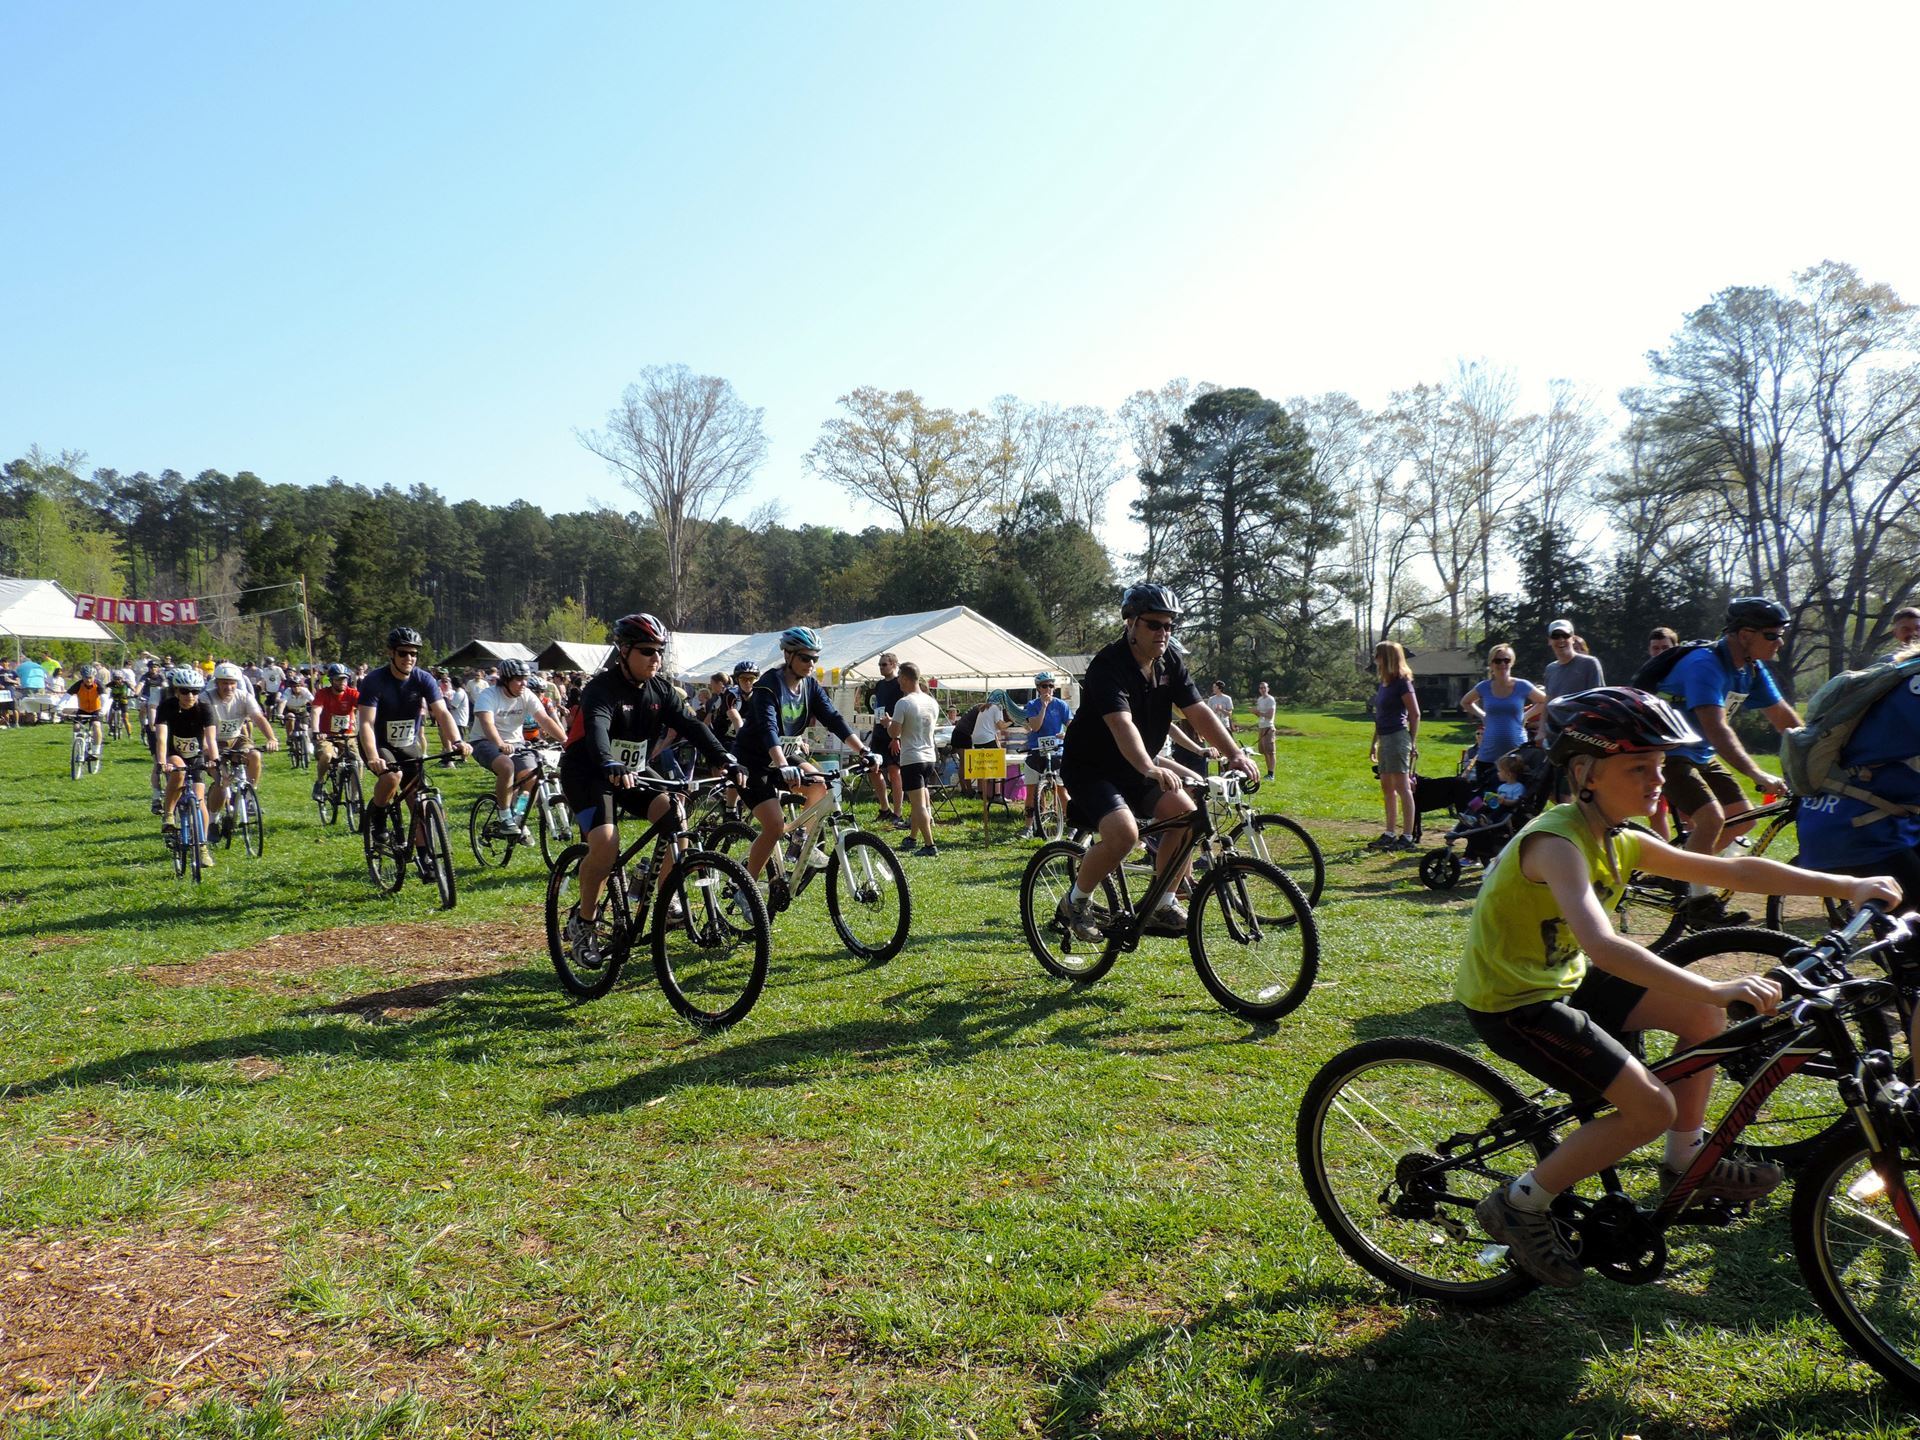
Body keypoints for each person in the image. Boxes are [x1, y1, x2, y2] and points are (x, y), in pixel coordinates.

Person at [1457, 687, 1899, 1291]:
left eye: (1660, 766)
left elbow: (1735, 869)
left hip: (1567, 982)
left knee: (1701, 1020)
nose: (1657, 780)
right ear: (1585, 773)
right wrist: (1716, 985)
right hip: (1514, 1003)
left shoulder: (1620, 837)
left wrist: (1847, 885)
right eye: (1639, 768)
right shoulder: (1556, 843)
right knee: (1648, 1106)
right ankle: (1520, 1202)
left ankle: (1684, 1161)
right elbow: (1606, 945)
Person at [1054, 584, 1257, 940]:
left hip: (1138, 766)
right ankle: (1077, 901)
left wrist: (1234, 754)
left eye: (1170, 626)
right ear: (1130, 622)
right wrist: (1149, 767)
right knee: (1124, 835)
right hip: (1092, 768)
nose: (1163, 633)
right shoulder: (1107, 665)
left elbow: (1199, 713)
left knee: (1185, 816)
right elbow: (1122, 724)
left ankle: (1162, 903)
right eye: (1154, 624)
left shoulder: (1170, 662)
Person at [558, 614, 743, 960]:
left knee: (675, 814)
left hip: (631, 772)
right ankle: (583, 924)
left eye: (659, 651)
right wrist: (608, 761)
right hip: (588, 771)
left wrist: (723, 759)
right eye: (646, 651)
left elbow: (691, 725)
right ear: (624, 651)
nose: (655, 658)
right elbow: (597, 728)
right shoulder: (602, 688)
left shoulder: (660, 691)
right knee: (605, 845)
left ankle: (665, 892)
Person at [1655, 596, 1801, 925]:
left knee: (1743, 818)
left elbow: (1782, 717)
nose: (1780, 642)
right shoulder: (1704, 664)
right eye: (1772, 635)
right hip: (1666, 752)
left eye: (1780, 634)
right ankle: (1700, 906)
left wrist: (1817, 752)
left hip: (1699, 752)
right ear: (1745, 635)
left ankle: (1677, 869)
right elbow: (1717, 728)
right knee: (1711, 819)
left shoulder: (1750, 669)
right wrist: (1756, 772)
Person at [735, 626, 877, 889]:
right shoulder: (768, 685)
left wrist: (864, 751)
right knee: (775, 827)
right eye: (805, 657)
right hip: (754, 761)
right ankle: (747, 888)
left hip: (786, 755)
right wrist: (781, 765)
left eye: (815, 658)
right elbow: (768, 730)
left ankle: (801, 842)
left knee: (819, 785)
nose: (811, 663)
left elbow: (833, 719)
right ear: (788, 655)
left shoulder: (810, 685)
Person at [1794, 638, 1920, 901]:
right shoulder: (1913, 687)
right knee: (1910, 927)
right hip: (1860, 827)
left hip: (1853, 818)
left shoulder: (1904, 672)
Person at [357, 628, 471, 834]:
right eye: (403, 653)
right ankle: (378, 812)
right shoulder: (374, 680)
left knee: (419, 803)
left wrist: (457, 741)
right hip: (378, 743)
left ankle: (425, 858)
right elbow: (366, 722)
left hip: (408, 744)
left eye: (414, 653)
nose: (409, 658)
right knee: (392, 776)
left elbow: (443, 713)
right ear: (391, 653)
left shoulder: (423, 679)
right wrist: (373, 757)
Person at [470, 658, 566, 838]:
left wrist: (566, 740)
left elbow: (544, 719)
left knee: (531, 776)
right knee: (507, 766)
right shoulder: (489, 695)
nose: (524, 683)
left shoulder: (527, 694)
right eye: (518, 679)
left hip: (516, 744)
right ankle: (505, 816)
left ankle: (518, 814)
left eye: (526, 678)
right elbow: (487, 723)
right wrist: (500, 744)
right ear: (505, 680)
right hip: (484, 741)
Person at [154, 667, 221, 869]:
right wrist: (161, 761)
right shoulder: (167, 707)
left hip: (196, 756)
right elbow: (162, 737)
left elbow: (211, 740)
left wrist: (214, 760)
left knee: (200, 802)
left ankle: (202, 847)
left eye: (194, 692)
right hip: (173, 754)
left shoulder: (206, 709)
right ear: (176, 691)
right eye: (184, 691)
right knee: (179, 771)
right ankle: (168, 814)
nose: (189, 696)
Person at [206, 662, 278, 835]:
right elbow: (205, 733)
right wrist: (212, 758)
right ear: (217, 683)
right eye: (224, 683)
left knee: (254, 755)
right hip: (212, 741)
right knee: (220, 781)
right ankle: (213, 819)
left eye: (232, 683)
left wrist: (271, 738)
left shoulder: (244, 696)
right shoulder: (206, 699)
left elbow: (258, 717)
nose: (228, 687)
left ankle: (248, 795)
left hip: (236, 738)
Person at [1460, 644, 1541, 788]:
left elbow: (1544, 701)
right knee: (1486, 800)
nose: (1502, 664)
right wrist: (1482, 715)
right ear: (1491, 663)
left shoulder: (1522, 685)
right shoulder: (1484, 687)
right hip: (1488, 755)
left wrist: (1526, 716)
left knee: (1515, 798)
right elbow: (1465, 702)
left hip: (1515, 755)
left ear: (1512, 662)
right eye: (1498, 660)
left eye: (1507, 660)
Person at [1367, 641, 1419, 851]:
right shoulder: (1384, 684)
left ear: (1387, 657)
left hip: (1398, 738)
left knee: (1402, 787)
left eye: (1377, 655)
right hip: (1385, 739)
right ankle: (1389, 833)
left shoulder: (1402, 682)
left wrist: (1412, 742)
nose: (1375, 659)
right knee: (1387, 787)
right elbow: (1380, 717)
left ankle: (1407, 836)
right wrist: (1374, 744)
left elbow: (1414, 714)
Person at [889, 661, 942, 856]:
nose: (898, 684)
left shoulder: (904, 702)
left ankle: (929, 845)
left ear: (904, 678)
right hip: (929, 757)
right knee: (918, 799)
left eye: (899, 680)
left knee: (918, 804)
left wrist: (888, 723)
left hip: (912, 757)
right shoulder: (932, 701)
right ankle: (912, 837)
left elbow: (894, 732)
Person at [1529, 618, 1605, 750]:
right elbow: (1548, 702)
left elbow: (1598, 700)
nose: (1561, 640)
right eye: (1556, 636)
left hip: (1582, 735)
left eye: (1565, 635)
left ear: (1573, 638)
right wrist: (1541, 731)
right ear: (1549, 640)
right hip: (1555, 735)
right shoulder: (1550, 669)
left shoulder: (1590, 663)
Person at [1018, 672, 1072, 838]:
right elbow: (1035, 727)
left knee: (1062, 791)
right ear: (1038, 688)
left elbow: (1071, 724)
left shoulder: (1061, 705)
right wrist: (1044, 707)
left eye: (1050, 685)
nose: (1048, 689)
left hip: (1057, 751)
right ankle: (1028, 827)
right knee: (1031, 791)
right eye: (1044, 686)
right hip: (1036, 752)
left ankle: (1072, 824)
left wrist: (1066, 734)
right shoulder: (1032, 705)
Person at [865, 652, 907, 827]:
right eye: (880, 665)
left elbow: (904, 711)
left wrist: (896, 736)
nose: (881, 668)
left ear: (894, 665)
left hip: (893, 733)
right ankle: (884, 808)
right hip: (879, 733)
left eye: (884, 665)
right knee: (872, 768)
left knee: (894, 772)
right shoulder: (880, 685)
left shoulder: (900, 685)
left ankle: (898, 812)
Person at [970, 688, 1013, 805]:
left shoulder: (984, 708)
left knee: (981, 765)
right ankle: (997, 795)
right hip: (987, 738)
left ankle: (980, 792)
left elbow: (992, 729)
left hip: (977, 739)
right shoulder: (997, 708)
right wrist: (1011, 721)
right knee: (997, 764)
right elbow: (1000, 726)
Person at [1464, 752, 1528, 817]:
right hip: (1495, 806)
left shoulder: (1518, 787)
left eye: (1500, 771)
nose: (1497, 773)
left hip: (1506, 810)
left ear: (1509, 774)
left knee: (1500, 809)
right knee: (1481, 803)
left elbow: (1516, 802)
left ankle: (1486, 820)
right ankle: (1471, 816)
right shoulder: (1502, 786)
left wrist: (1504, 801)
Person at [68, 663, 106, 766]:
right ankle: (78, 748)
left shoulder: (99, 684)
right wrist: (59, 708)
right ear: (82, 677)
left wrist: (103, 710)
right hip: (82, 710)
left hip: (96, 710)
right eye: (86, 678)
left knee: (96, 725)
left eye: (90, 678)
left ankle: (96, 750)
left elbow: (104, 698)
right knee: (76, 727)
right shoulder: (78, 685)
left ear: (94, 677)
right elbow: (66, 696)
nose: (88, 680)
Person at [1251, 681, 1278, 779]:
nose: (1263, 690)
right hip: (1261, 726)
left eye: (1264, 688)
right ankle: (1268, 772)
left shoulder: (1270, 700)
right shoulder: (1260, 699)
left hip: (1268, 727)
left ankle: (1272, 774)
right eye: (1261, 688)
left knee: (1271, 752)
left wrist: (1259, 712)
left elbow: (1270, 716)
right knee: (1264, 751)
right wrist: (1254, 712)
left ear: (1268, 689)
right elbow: (1260, 714)